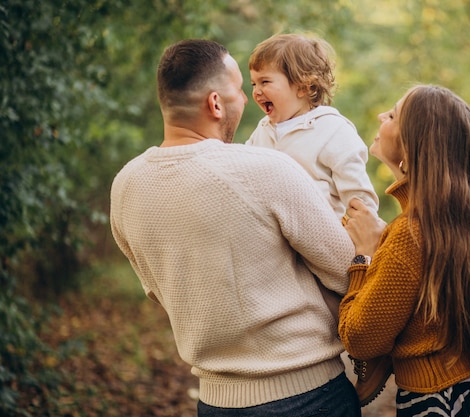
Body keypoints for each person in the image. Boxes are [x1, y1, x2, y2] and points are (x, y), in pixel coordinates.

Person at [110, 39, 362, 417]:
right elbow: (348, 273)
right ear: (214, 103)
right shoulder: (265, 168)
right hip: (308, 396)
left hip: (214, 402)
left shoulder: (125, 186)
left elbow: (158, 291)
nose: (248, 100)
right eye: (241, 91)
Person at [338, 84, 470, 416]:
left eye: (392, 115)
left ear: (413, 148)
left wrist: (365, 255)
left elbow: (361, 339)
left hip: (448, 402)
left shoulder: (410, 234)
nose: (380, 116)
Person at [246, 33, 378, 220]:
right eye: (253, 83)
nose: (256, 91)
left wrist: (363, 233)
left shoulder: (333, 130)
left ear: (304, 86)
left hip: (319, 237)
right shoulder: (262, 129)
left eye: (265, 81)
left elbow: (360, 197)